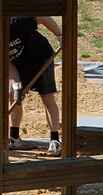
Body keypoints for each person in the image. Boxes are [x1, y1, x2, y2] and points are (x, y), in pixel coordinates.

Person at [8, 16, 63, 156]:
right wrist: (16, 86)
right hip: (19, 66)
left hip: (42, 59)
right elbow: (9, 64)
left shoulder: (18, 21)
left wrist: (60, 36)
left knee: (47, 98)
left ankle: (55, 141)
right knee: (14, 96)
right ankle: (14, 138)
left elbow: (43, 17)